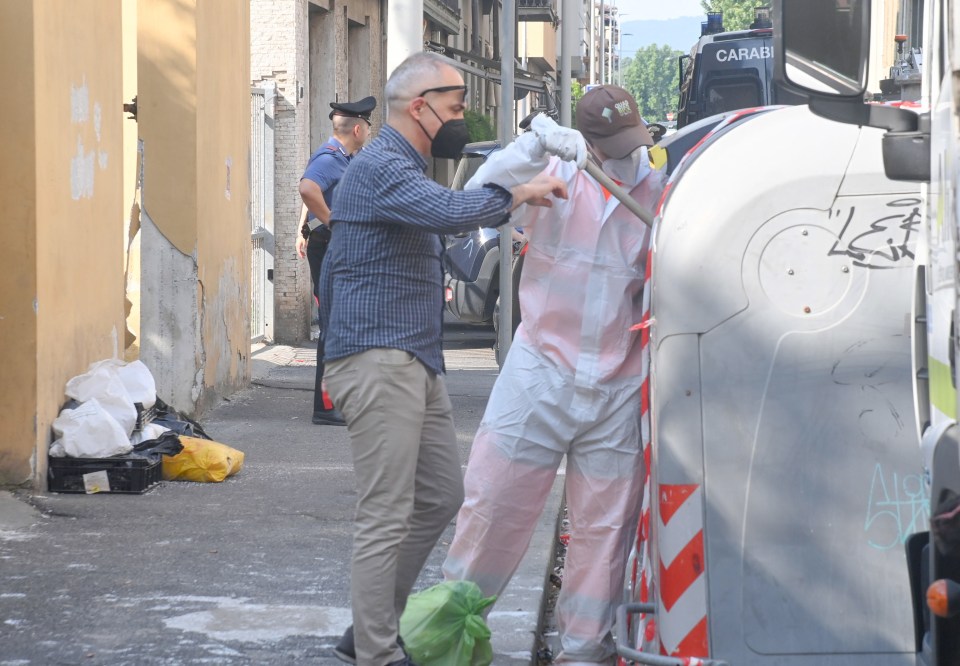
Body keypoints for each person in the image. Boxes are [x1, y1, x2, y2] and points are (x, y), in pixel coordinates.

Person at [319, 51, 579, 666]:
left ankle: (370, 626)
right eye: (456, 107)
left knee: (439, 496)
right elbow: (450, 212)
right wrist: (520, 190)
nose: (462, 119)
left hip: (412, 357)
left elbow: (444, 220)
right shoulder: (383, 163)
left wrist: (508, 210)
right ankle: (376, 653)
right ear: (420, 107)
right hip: (378, 358)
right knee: (384, 512)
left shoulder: (406, 165)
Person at [441, 85, 665, 666]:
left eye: (630, 143)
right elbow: (475, 197)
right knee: (491, 509)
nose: (624, 156)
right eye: (610, 147)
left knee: (604, 531)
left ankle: (584, 653)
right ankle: (451, 641)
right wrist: (532, 143)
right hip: (539, 371)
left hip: (617, 382)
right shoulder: (550, 175)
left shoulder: (658, 192)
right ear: (586, 140)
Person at [297, 95, 376, 426]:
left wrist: (303, 227)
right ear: (357, 128)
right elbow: (308, 188)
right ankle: (326, 407)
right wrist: (333, 222)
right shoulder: (330, 158)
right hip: (330, 247)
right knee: (334, 327)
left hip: (336, 248)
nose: (370, 133)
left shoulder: (345, 158)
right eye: (368, 127)